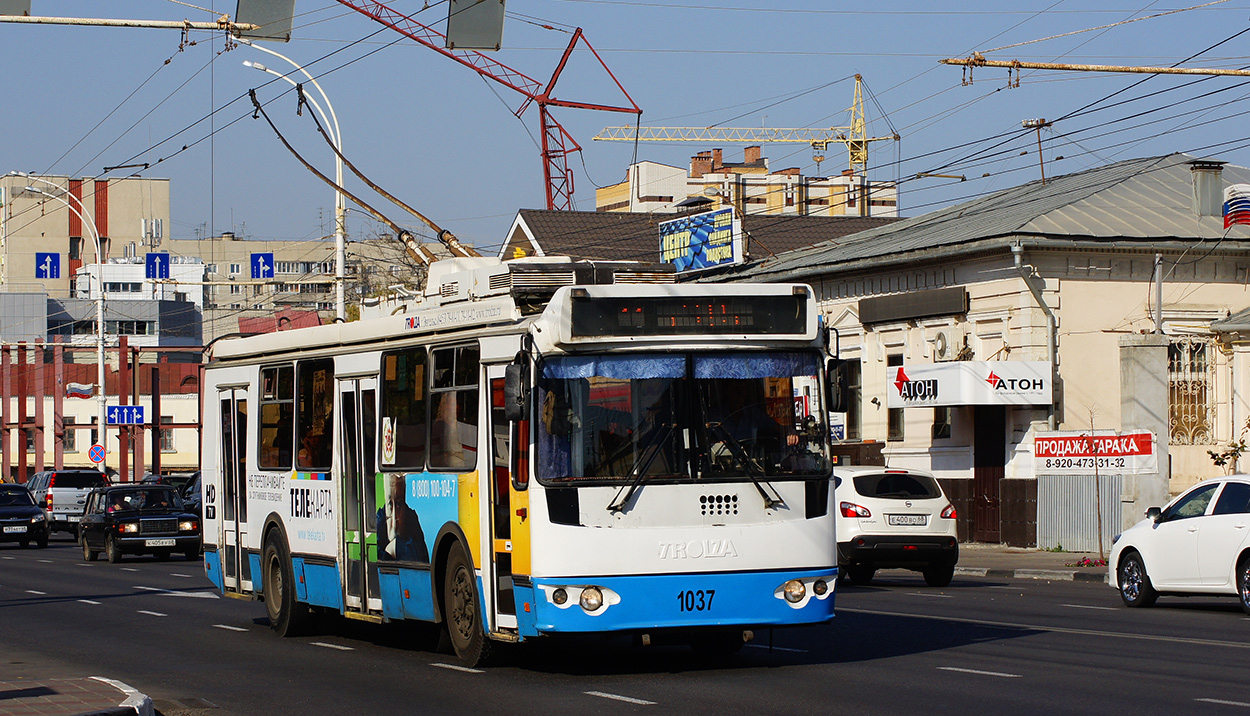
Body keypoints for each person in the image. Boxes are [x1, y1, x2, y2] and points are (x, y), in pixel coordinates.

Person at [377, 473, 429, 563]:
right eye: (390, 505)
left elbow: (420, 559)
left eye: (398, 504)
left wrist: (395, 546)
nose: (394, 518)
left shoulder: (411, 518)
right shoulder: (380, 517)